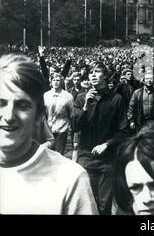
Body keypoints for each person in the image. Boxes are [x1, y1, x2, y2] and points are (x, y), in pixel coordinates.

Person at [0, 54, 98, 214]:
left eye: (22, 105)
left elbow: (72, 115)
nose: (9, 116)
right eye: (1, 103)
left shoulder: (71, 179)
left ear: (39, 115)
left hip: (61, 131)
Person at [73, 61, 130, 215]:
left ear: (105, 76)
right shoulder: (80, 97)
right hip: (86, 158)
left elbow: (124, 131)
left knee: (104, 206)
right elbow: (75, 127)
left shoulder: (117, 99)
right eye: (91, 72)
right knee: (86, 205)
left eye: (97, 72)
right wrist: (85, 107)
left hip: (108, 160)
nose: (93, 75)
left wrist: (107, 144)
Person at [43, 72, 74, 155]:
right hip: (48, 129)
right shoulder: (46, 95)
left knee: (58, 154)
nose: (55, 82)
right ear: (51, 81)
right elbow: (43, 113)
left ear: (61, 82)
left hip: (61, 129)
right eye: (53, 80)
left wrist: (70, 126)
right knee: (48, 154)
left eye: (58, 80)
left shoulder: (68, 96)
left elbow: (71, 113)